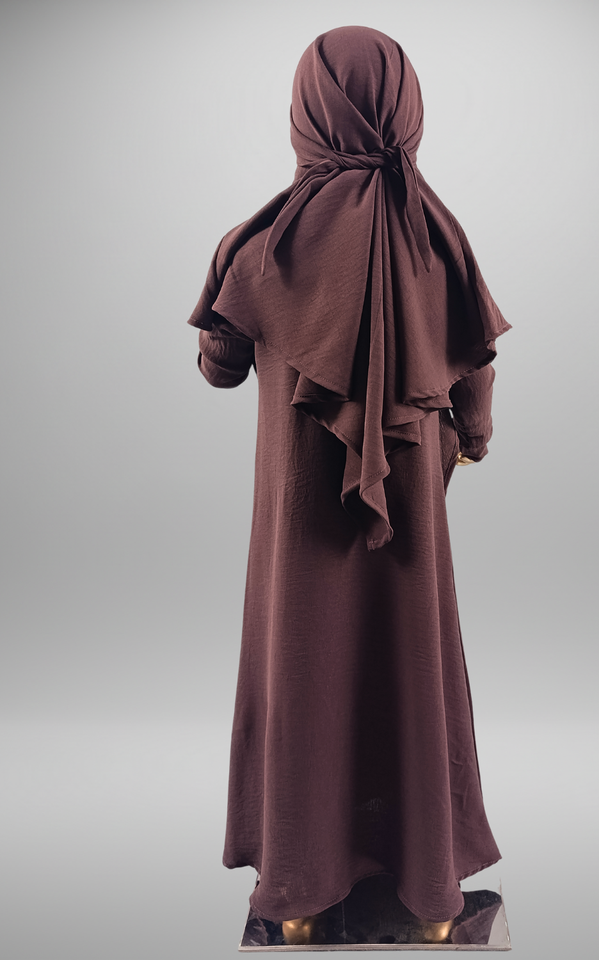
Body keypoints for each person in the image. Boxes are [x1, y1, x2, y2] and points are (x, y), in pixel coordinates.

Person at [188, 24, 510, 940]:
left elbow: (219, 366)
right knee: (410, 669)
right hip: (411, 518)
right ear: (406, 111)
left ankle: (298, 905)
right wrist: (467, 441)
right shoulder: (440, 240)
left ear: (307, 112)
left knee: (305, 669)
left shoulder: (258, 245)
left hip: (298, 521)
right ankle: (430, 905)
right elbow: (475, 386)